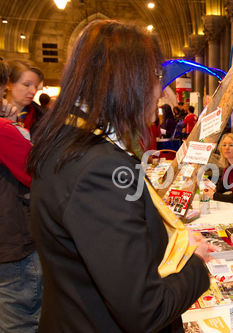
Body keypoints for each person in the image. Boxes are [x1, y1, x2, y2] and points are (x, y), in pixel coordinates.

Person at [27, 20, 210, 332]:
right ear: (128, 81)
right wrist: (196, 265)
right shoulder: (99, 169)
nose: (163, 92)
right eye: (156, 78)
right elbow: (145, 311)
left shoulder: (70, 141)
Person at [0, 57, 43, 333]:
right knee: (21, 319)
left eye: (35, 86)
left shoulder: (19, 120)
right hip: (14, 238)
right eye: (25, 84)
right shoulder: (5, 128)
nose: (31, 91)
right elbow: (35, 171)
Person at [5, 59, 44, 135]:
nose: (33, 91)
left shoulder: (43, 118)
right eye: (26, 85)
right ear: (9, 84)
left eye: (36, 87)